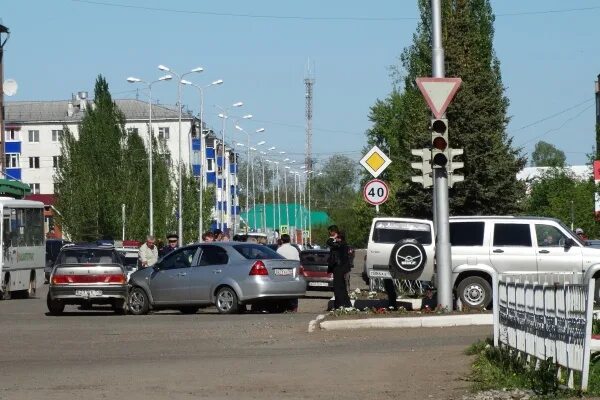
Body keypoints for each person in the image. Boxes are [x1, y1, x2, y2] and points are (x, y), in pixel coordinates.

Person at [326, 225, 352, 309]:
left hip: (339, 267)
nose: (330, 234)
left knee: (338, 287)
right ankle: (344, 304)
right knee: (341, 286)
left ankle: (340, 304)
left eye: (331, 232)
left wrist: (333, 238)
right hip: (341, 267)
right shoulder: (341, 243)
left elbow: (329, 242)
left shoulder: (340, 243)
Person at [276, 233, 300, 312]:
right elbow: (298, 261)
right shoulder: (294, 249)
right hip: (293, 271)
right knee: (293, 290)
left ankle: (283, 307)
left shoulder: (279, 250)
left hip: (282, 272)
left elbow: (277, 261)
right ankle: (294, 307)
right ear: (289, 240)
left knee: (282, 290)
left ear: (282, 240)